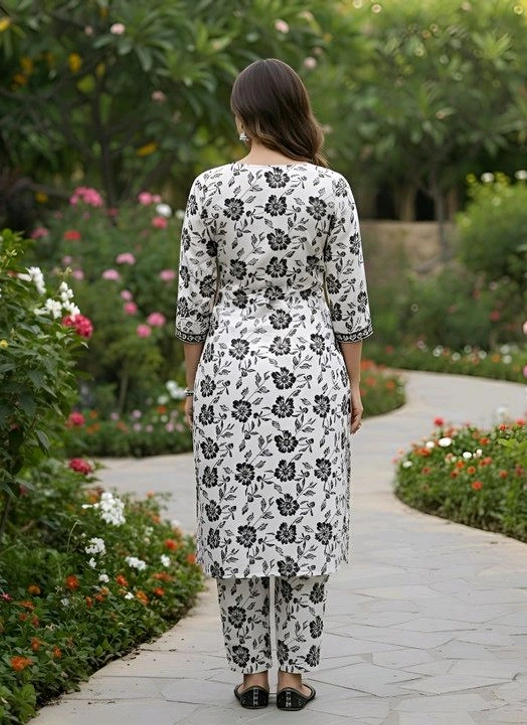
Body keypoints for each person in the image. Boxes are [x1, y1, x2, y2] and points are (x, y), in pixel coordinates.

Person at [175, 58, 372, 712]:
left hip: (230, 369)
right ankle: (294, 678)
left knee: (236, 521)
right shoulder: (330, 189)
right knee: (305, 522)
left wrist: (193, 385)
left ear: (242, 116)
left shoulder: (210, 188)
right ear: (296, 111)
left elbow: (193, 302)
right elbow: (349, 298)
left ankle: (251, 676)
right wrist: (354, 382)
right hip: (310, 366)